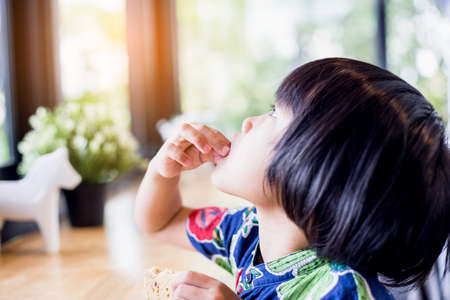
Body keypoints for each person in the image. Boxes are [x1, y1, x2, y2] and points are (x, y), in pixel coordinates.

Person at [134, 57, 450, 299]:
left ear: (319, 177)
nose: (248, 123)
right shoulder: (245, 234)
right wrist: (162, 173)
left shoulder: (343, 290)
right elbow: (162, 223)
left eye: (274, 115)